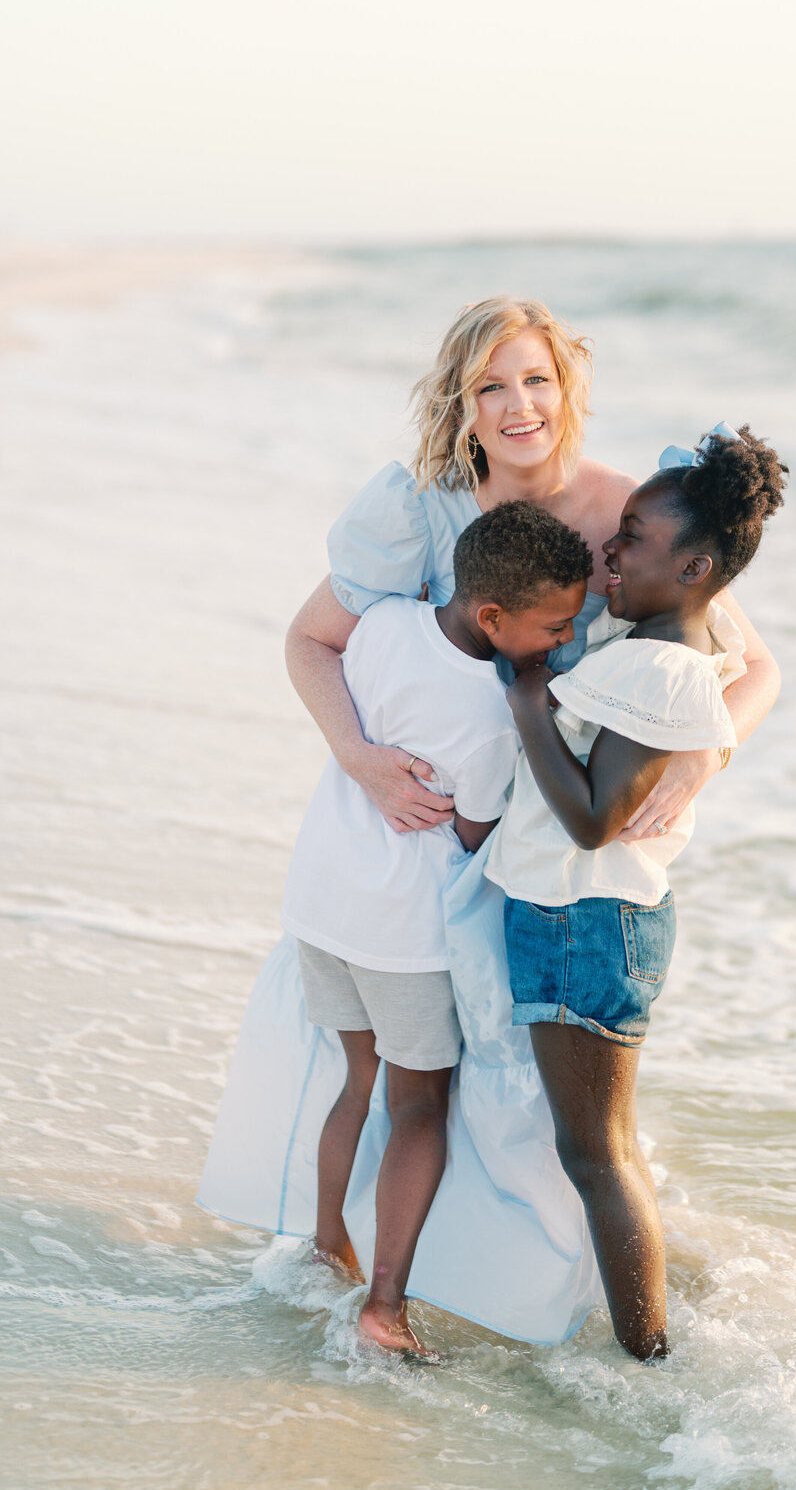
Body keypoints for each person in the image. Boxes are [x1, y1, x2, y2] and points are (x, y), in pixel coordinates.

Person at [198, 298, 782, 1347]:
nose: (520, 406)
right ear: (462, 405)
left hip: (563, 855)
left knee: (546, 1111)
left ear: (570, 386)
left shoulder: (628, 516)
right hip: (432, 849)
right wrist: (362, 761)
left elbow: (752, 666)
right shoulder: (418, 512)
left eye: (538, 380)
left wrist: (700, 758)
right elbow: (310, 641)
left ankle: (571, 1310)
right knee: (440, 1087)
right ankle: (441, 1289)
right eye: (493, 385)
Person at [490, 425, 787, 1359]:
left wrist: (528, 693)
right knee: (606, 1144)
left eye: (631, 538)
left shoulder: (657, 668)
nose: (607, 550)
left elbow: (590, 818)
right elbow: (737, 639)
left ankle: (647, 1357)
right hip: (593, 917)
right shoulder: (673, 636)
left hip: (582, 918)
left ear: (695, 566)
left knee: (596, 1153)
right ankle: (648, 1322)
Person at [281, 501, 591, 1356]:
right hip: (404, 933)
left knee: (355, 1079)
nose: (562, 641)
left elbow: (332, 667)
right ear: (493, 617)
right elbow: (474, 827)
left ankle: (324, 1246)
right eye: (554, 625)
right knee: (419, 1105)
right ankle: (384, 1304)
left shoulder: (380, 623)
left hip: (323, 901)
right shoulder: (497, 711)